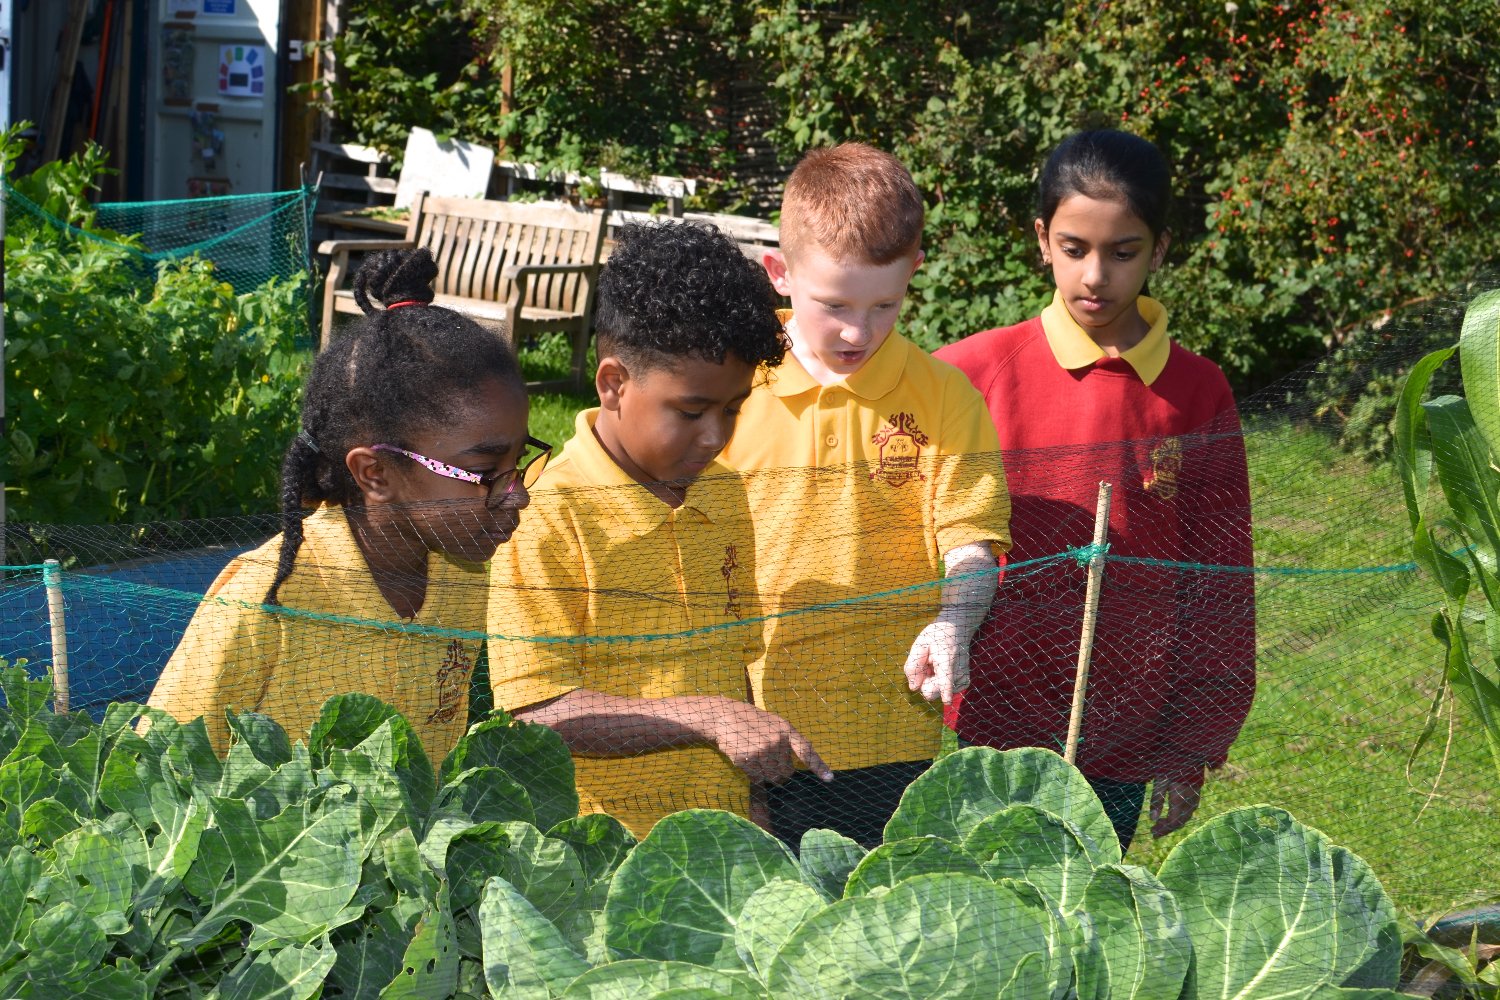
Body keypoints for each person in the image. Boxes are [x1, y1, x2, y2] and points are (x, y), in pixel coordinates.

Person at [935, 129, 1256, 852]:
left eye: (1123, 253)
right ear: (1042, 238)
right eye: (1075, 248)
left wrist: (1193, 739)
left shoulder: (1198, 393)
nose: (1094, 277)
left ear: (1161, 249)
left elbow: (1221, 578)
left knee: (1089, 922)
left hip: (1126, 731)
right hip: (992, 720)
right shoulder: (970, 372)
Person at [487, 221, 829, 839]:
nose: (716, 437)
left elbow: (733, 669)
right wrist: (707, 719)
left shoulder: (724, 493)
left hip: (717, 835)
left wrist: (750, 801)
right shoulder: (545, 514)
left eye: (734, 409)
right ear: (614, 383)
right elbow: (536, 709)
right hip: (595, 853)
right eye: (692, 411)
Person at [719, 143, 1012, 849]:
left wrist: (955, 620)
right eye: (834, 306)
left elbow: (970, 540)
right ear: (779, 274)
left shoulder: (943, 397)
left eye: (885, 304)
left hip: (887, 732)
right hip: (742, 719)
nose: (858, 331)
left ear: (914, 272)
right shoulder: (729, 385)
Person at [148, 248, 542, 763]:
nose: (518, 494)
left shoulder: (465, 577)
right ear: (375, 474)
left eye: (521, 462)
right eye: (486, 473)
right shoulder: (265, 599)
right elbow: (159, 765)